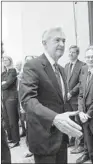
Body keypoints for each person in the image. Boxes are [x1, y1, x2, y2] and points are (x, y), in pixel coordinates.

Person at [19, 27, 82, 163]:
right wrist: (54, 118)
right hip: (44, 137)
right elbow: (28, 100)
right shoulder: (33, 65)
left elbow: (60, 101)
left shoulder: (61, 69)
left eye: (64, 40)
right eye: (57, 40)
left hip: (61, 137)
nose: (62, 44)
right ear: (44, 43)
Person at [64, 45, 85, 153]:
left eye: (73, 52)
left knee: (79, 121)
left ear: (77, 54)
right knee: (70, 120)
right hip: (67, 99)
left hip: (76, 98)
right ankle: (72, 140)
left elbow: (81, 82)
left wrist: (71, 93)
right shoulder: (67, 65)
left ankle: (81, 145)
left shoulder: (82, 65)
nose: (70, 54)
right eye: (70, 52)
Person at [2, 55, 20, 149]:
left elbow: (8, 84)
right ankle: (10, 138)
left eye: (6, 60)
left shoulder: (13, 71)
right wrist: (3, 83)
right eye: (3, 60)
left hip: (11, 98)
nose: (4, 61)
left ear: (10, 61)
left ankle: (16, 140)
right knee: (6, 119)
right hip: (4, 99)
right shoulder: (4, 73)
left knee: (13, 120)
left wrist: (4, 83)